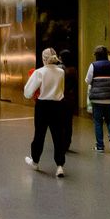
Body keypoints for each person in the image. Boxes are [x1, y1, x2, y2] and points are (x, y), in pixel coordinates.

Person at [23, 48, 67, 177]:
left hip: (43, 106)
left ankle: (35, 161)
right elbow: (62, 89)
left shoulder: (39, 72)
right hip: (58, 105)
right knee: (58, 135)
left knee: (39, 134)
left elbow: (28, 92)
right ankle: (59, 166)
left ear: (43, 58)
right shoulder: (61, 72)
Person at [85, 45, 110, 153]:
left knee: (98, 122)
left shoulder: (93, 66)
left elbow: (87, 80)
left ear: (96, 55)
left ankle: (100, 146)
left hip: (97, 99)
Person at [58, 49, 79, 155]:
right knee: (68, 122)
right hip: (70, 99)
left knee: (60, 122)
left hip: (61, 98)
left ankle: (60, 142)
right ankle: (67, 143)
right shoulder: (74, 70)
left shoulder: (61, 70)